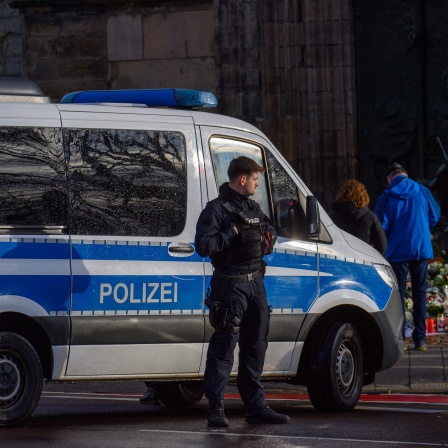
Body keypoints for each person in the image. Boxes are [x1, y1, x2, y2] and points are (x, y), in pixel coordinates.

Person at [195, 156, 290, 427]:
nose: (257, 184)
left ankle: (256, 407)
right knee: (223, 348)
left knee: (256, 346)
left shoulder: (253, 207)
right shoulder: (216, 210)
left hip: (255, 284)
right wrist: (231, 233)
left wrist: (268, 236)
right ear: (242, 179)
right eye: (255, 179)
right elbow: (203, 246)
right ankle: (216, 410)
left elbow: (267, 235)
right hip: (231, 285)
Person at [375, 163, 441, 351]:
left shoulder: (386, 196)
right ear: (405, 174)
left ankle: (400, 339)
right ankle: (420, 340)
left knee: (399, 295)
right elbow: (434, 216)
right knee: (420, 293)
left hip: (398, 251)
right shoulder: (422, 190)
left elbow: (382, 226)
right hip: (421, 248)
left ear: (390, 178)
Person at [331, 179, 387, 256]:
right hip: (363, 259)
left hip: (340, 258)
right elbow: (382, 245)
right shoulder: (370, 217)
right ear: (363, 196)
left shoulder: (333, 217)